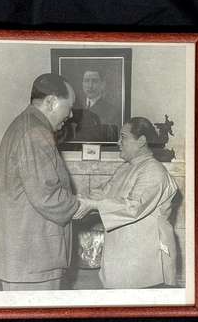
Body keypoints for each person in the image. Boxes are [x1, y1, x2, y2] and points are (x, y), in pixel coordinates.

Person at [0, 73, 88, 290]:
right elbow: (47, 196)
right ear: (51, 102)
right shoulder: (36, 133)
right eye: (68, 107)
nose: (70, 115)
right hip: (33, 258)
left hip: (22, 256)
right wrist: (81, 204)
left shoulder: (23, 125)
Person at [76, 117, 178, 288]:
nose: (118, 142)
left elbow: (134, 206)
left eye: (123, 137)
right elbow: (102, 194)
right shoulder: (126, 168)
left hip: (146, 261)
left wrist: (92, 205)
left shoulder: (153, 170)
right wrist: (76, 200)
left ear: (142, 141)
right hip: (123, 256)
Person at [61, 69, 119, 142]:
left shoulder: (111, 110)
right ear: (82, 83)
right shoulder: (74, 106)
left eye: (94, 81)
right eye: (86, 81)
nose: (90, 86)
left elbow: (110, 139)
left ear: (102, 84)